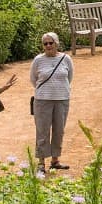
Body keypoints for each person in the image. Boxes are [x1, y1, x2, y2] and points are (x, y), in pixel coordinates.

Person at [30, 31, 74, 172]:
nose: (48, 45)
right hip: (43, 99)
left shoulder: (66, 59)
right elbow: (33, 79)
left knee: (59, 130)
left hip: (62, 99)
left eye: (51, 43)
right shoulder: (38, 60)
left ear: (57, 43)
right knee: (42, 131)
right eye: (45, 43)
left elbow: (70, 77)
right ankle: (41, 162)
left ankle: (55, 160)